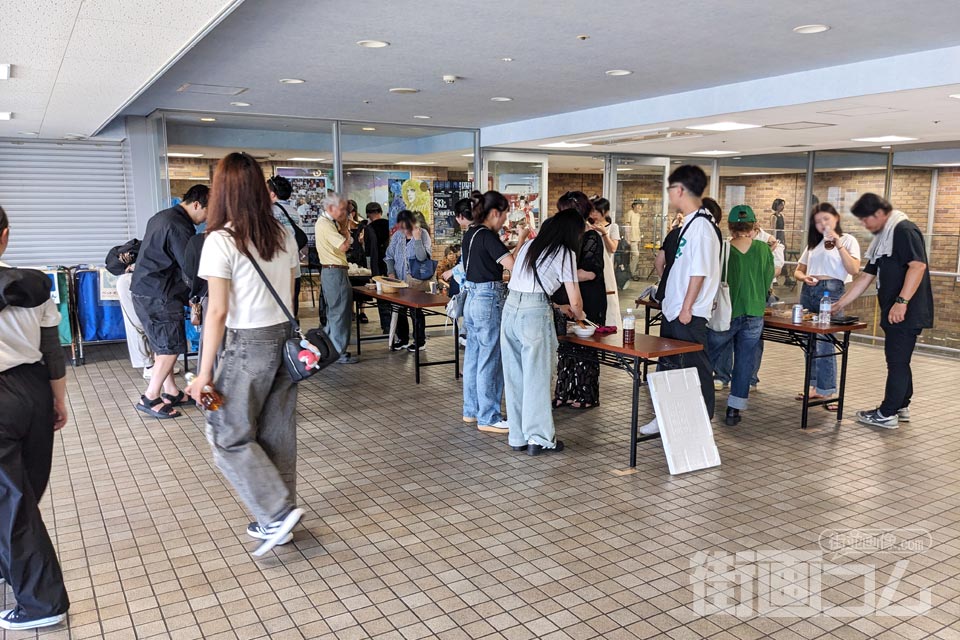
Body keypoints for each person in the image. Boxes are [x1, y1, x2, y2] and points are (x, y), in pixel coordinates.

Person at [189, 152, 304, 556]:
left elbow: (217, 311)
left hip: (247, 343)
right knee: (277, 433)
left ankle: (274, 512)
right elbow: (290, 293)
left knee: (228, 433)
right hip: (285, 339)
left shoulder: (220, 240)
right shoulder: (283, 234)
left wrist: (203, 374)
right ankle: (280, 518)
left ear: (221, 192)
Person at [0, 207, 70, 631]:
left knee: (13, 501)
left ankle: (43, 603)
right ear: (4, 235)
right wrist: (58, 401)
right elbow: (53, 349)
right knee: (24, 488)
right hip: (33, 390)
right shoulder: (34, 283)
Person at [833, 193, 933, 429]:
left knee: (896, 361)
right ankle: (901, 405)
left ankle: (887, 413)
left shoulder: (902, 230)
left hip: (905, 310)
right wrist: (841, 303)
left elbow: (918, 266)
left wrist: (901, 301)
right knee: (900, 359)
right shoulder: (883, 240)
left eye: (866, 220)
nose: (865, 226)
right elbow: (867, 276)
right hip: (894, 308)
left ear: (879, 214)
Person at [641, 166, 721, 435]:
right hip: (675, 309)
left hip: (688, 314)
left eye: (669, 189)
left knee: (695, 367)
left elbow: (699, 272)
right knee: (669, 366)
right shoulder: (689, 223)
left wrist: (687, 308)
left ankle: (702, 420)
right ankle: (665, 415)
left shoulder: (702, 227)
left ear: (680, 190)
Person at [502, 209, 585, 455]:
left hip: (510, 310)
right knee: (537, 377)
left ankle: (517, 436)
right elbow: (577, 302)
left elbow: (522, 281)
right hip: (534, 314)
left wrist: (559, 306)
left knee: (514, 376)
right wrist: (580, 317)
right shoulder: (564, 252)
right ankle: (538, 439)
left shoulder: (529, 246)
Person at [131, 185, 208, 419]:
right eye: (208, 211)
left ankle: (171, 391)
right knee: (170, 347)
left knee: (161, 345)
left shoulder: (162, 216)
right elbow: (190, 267)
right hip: (159, 293)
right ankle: (150, 397)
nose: (208, 218)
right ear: (196, 204)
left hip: (145, 290)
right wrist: (197, 297)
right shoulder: (179, 226)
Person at [461, 191, 527, 435]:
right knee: (490, 358)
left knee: (474, 356)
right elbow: (515, 267)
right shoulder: (488, 236)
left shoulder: (470, 233)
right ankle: (489, 416)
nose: (505, 221)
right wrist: (522, 240)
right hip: (488, 299)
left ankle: (471, 410)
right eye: (505, 215)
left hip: (471, 298)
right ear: (495, 213)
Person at [706, 205, 774, 426]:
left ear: (730, 227)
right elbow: (768, 280)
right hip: (754, 312)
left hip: (727, 312)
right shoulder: (764, 250)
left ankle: (701, 401)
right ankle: (734, 410)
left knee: (709, 357)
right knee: (745, 361)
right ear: (753, 226)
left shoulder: (723, 249)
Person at [792, 203, 861, 405]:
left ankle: (828, 390)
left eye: (826, 219)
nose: (822, 224)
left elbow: (854, 269)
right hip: (809, 291)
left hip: (831, 291)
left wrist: (838, 243)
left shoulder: (848, 240)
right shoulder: (814, 244)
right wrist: (804, 277)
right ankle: (813, 386)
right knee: (808, 342)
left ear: (836, 218)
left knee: (825, 342)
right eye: (818, 221)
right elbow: (798, 270)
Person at [553, 191, 606, 410]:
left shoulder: (591, 236)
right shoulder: (566, 237)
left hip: (588, 299)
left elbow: (590, 273)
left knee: (585, 349)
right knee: (566, 348)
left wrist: (561, 272)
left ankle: (585, 395)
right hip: (567, 298)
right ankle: (565, 392)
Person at [314, 192, 357, 364]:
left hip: (332, 272)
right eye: (342, 210)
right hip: (334, 272)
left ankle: (331, 348)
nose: (344, 213)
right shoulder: (325, 224)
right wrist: (346, 228)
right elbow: (344, 246)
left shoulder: (327, 223)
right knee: (340, 312)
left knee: (334, 312)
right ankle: (339, 351)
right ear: (331, 208)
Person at [385, 209, 433, 351]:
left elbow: (422, 258)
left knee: (415, 310)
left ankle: (420, 341)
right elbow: (389, 256)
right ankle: (403, 338)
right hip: (399, 279)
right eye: (402, 228)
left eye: (407, 228)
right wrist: (391, 272)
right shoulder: (397, 236)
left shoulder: (422, 234)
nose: (405, 231)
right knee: (399, 308)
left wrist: (417, 239)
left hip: (416, 280)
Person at [268, 175, 304, 318]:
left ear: (272, 194)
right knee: (292, 308)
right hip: (295, 269)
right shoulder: (295, 212)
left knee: (277, 311)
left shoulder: (270, 211)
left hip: (276, 269)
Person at [592, 197, 622, 328]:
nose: (594, 214)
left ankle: (611, 328)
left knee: (609, 299)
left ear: (606, 212)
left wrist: (604, 234)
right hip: (590, 267)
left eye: (597, 211)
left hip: (606, 268)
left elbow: (613, 248)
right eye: (592, 211)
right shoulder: (587, 226)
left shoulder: (613, 227)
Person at [366, 202, 391, 332]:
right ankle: (395, 326)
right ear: (380, 211)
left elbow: (368, 251)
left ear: (369, 214)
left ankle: (386, 325)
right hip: (392, 266)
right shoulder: (390, 225)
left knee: (382, 296)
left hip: (378, 267)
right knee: (395, 296)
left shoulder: (369, 228)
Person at [624, 199, 644, 280]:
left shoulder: (638, 215)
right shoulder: (630, 213)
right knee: (636, 255)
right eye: (638, 205)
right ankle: (632, 273)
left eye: (641, 206)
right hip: (631, 239)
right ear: (634, 206)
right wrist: (628, 238)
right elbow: (627, 226)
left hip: (636, 238)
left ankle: (631, 272)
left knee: (634, 256)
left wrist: (639, 238)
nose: (640, 207)